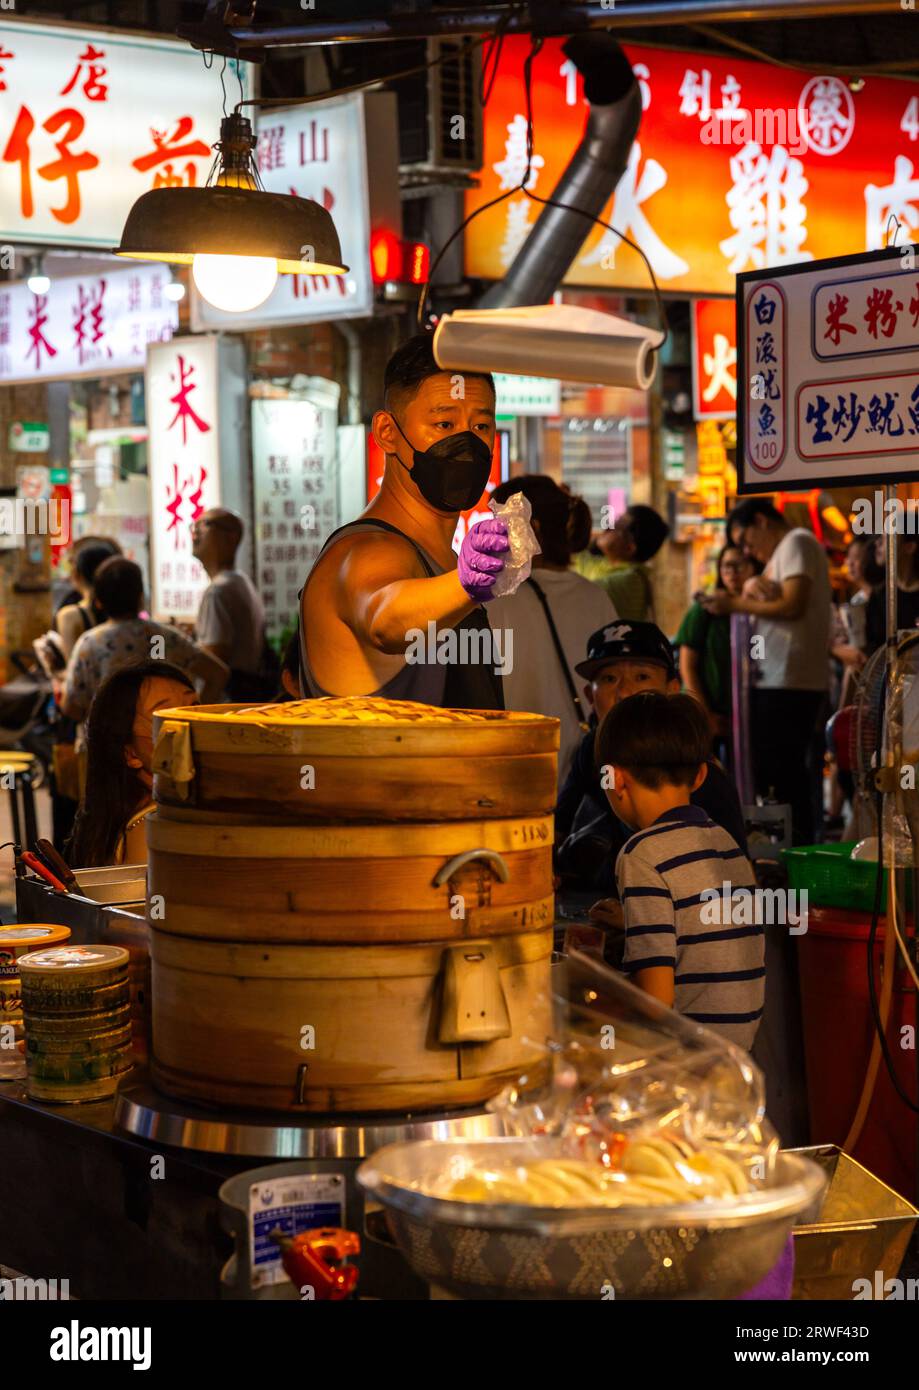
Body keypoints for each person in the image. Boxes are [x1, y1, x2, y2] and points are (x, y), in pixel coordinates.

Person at [300, 333, 510, 708]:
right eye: (444, 425)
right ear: (387, 432)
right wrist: (465, 583)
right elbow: (384, 618)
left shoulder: (439, 559)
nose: (467, 443)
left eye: (480, 427)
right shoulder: (366, 551)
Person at [600, 690, 763, 1050]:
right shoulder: (726, 843)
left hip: (688, 1060)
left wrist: (595, 986)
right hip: (739, 1054)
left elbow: (656, 1003)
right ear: (701, 775)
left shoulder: (640, 855)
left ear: (615, 780)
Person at [555, 620, 747, 895]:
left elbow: (729, 883)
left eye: (642, 677)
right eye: (609, 679)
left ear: (672, 689)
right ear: (589, 695)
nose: (624, 692)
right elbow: (559, 827)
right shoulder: (591, 750)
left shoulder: (691, 764)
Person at [705, 497, 831, 845]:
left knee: (784, 774)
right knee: (777, 773)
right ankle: (783, 851)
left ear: (761, 521)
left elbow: (792, 604)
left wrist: (733, 603)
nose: (748, 551)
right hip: (777, 680)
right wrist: (750, 588)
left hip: (788, 681)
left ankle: (795, 852)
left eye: (746, 540)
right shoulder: (782, 554)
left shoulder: (797, 541)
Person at [486, 475, 617, 784]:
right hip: (583, 771)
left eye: (502, 523)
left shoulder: (493, 598)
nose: (494, 536)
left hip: (513, 767)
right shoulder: (594, 597)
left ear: (534, 530)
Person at [61, 557, 228, 730]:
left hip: (103, 751)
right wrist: (190, 719)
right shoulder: (163, 637)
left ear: (99, 602)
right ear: (140, 596)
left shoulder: (90, 644)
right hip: (161, 745)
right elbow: (218, 674)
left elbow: (71, 708)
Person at [68, 662, 198, 867]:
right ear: (130, 753)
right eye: (166, 717)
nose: (193, 723)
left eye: (195, 707)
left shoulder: (164, 811)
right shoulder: (152, 828)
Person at [675, 543, 758, 749]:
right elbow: (687, 667)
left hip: (745, 715)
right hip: (705, 714)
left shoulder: (760, 612)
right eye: (725, 567)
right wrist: (706, 715)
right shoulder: (705, 610)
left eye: (738, 566)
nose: (731, 573)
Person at [192, 508, 270, 700]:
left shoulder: (218, 591)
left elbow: (215, 662)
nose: (195, 533)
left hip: (222, 705)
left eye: (205, 525)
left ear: (231, 538)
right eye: (194, 526)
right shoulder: (240, 582)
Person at [573, 504, 669, 621]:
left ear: (629, 548)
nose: (608, 527)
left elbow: (571, 594)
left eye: (617, 526)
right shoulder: (606, 566)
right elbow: (575, 558)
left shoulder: (630, 582)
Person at [54, 541, 120, 661]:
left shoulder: (69, 616)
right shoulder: (125, 612)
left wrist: (53, 668)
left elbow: (75, 673)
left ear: (76, 573)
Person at [865, 532, 919, 656]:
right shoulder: (879, 595)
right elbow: (873, 649)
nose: (877, 543)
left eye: (887, 538)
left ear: (909, 547)